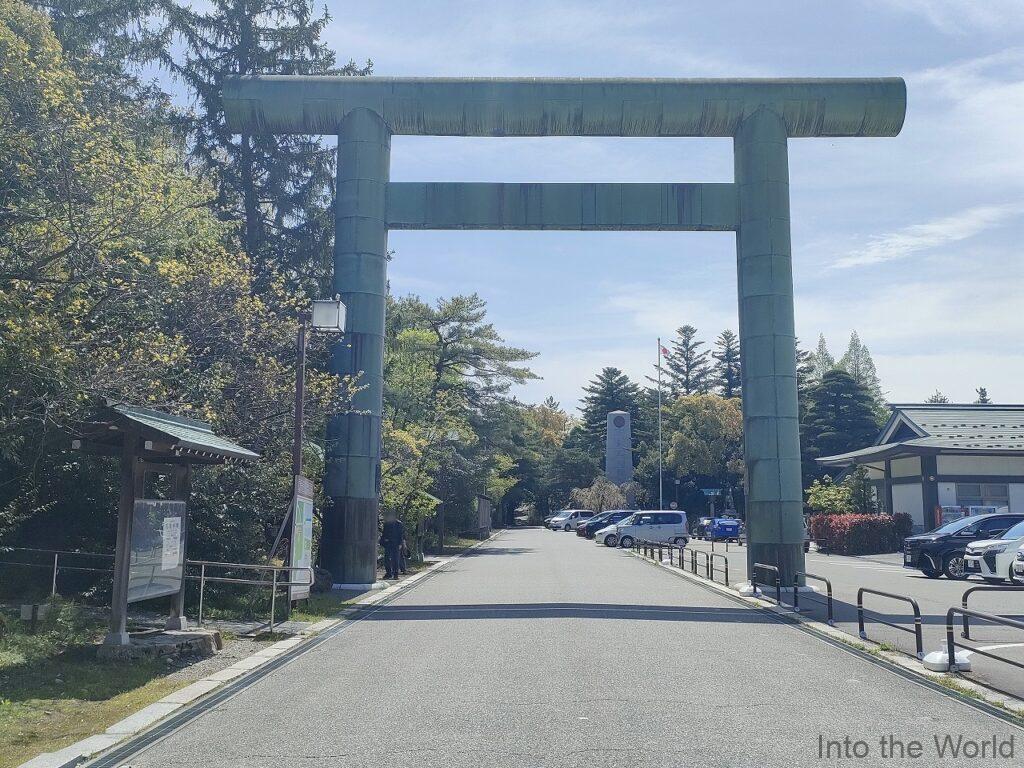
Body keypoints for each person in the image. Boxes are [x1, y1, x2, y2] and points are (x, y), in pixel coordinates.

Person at [380, 511, 405, 579]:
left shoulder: (399, 524)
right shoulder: (387, 523)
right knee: (387, 559)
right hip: (388, 543)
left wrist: (400, 544)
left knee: (395, 559)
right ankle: (389, 573)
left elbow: (401, 535)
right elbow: (384, 534)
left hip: (396, 543)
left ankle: (395, 574)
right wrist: (384, 541)